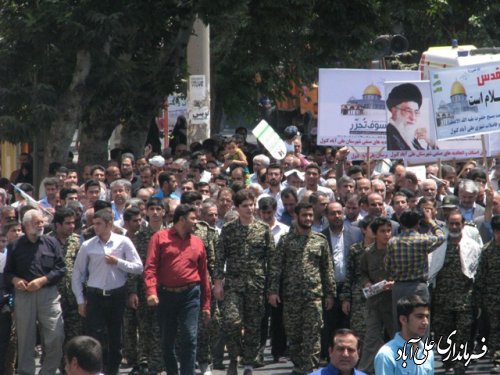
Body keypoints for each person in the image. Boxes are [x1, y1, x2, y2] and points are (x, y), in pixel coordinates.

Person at [72, 209, 143, 375]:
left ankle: (113, 371)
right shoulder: (87, 245)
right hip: (95, 295)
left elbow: (138, 267)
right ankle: (97, 371)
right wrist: (80, 301)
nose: (95, 227)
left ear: (109, 224)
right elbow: (77, 274)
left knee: (116, 338)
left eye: (99, 224)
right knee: (95, 339)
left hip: (117, 295)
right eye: (94, 224)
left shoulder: (123, 242)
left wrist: (118, 262)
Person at [268, 202, 336, 375]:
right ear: (295, 217)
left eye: (310, 215)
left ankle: (308, 369)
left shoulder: (319, 241)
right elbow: (276, 268)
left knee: (312, 334)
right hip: (291, 297)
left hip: (313, 296)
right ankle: (299, 366)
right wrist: (273, 291)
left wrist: (329, 294)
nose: (308, 219)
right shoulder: (285, 241)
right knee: (294, 335)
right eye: (304, 215)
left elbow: (327, 269)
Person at [144, 204, 211, 375]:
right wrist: (151, 291)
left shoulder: (197, 242)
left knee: (189, 337)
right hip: (165, 295)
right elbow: (150, 267)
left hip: (190, 294)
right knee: (167, 341)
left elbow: (204, 275)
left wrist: (206, 305)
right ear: (181, 219)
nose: (196, 222)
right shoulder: (159, 238)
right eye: (193, 219)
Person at [214, 189, 275, 375]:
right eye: (245, 206)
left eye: (252, 204)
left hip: (256, 285)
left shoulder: (263, 230)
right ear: (237, 208)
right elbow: (220, 258)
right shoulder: (229, 230)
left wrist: (271, 289)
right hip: (234, 284)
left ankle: (248, 363)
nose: (250, 208)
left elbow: (272, 261)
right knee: (231, 322)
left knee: (253, 326)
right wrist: (218, 283)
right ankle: (233, 356)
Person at [4, 209, 66, 375]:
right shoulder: (15, 246)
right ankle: (26, 372)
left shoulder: (52, 243)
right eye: (36, 222)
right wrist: (15, 280)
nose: (40, 225)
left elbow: (61, 268)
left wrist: (42, 280)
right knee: (25, 339)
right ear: (25, 225)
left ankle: (48, 371)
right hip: (24, 296)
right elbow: (8, 272)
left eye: (42, 222)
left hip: (48, 294)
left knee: (56, 335)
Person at [430, 210, 480, 375]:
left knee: (464, 332)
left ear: (463, 225)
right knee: (443, 333)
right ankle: (448, 361)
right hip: (442, 299)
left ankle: (460, 363)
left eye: (457, 223)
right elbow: (432, 269)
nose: (454, 226)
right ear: (447, 224)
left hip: (465, 298)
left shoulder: (471, 246)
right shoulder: (439, 245)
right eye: (451, 223)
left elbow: (476, 271)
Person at [385, 209, 445, 333]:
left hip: (399, 287)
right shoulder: (423, 240)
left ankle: (401, 350)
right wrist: (431, 222)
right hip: (418, 286)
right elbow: (441, 237)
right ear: (418, 224)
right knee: (421, 323)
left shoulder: (392, 242)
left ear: (401, 224)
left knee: (401, 324)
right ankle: (420, 351)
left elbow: (387, 265)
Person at [374, 295, 433, 374]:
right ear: (403, 319)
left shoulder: (427, 353)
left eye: (427, 317)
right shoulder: (386, 355)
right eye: (419, 317)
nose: (425, 322)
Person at [474, 214, 500, 373]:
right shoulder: (487, 251)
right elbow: (480, 276)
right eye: (497, 231)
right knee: (495, 329)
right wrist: (478, 300)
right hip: (493, 298)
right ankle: (497, 359)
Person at [386, 83, 437, 151]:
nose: (413, 118)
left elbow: (425, 156)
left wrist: (430, 142)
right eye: (408, 111)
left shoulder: (409, 137)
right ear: (394, 111)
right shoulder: (389, 135)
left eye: (416, 112)